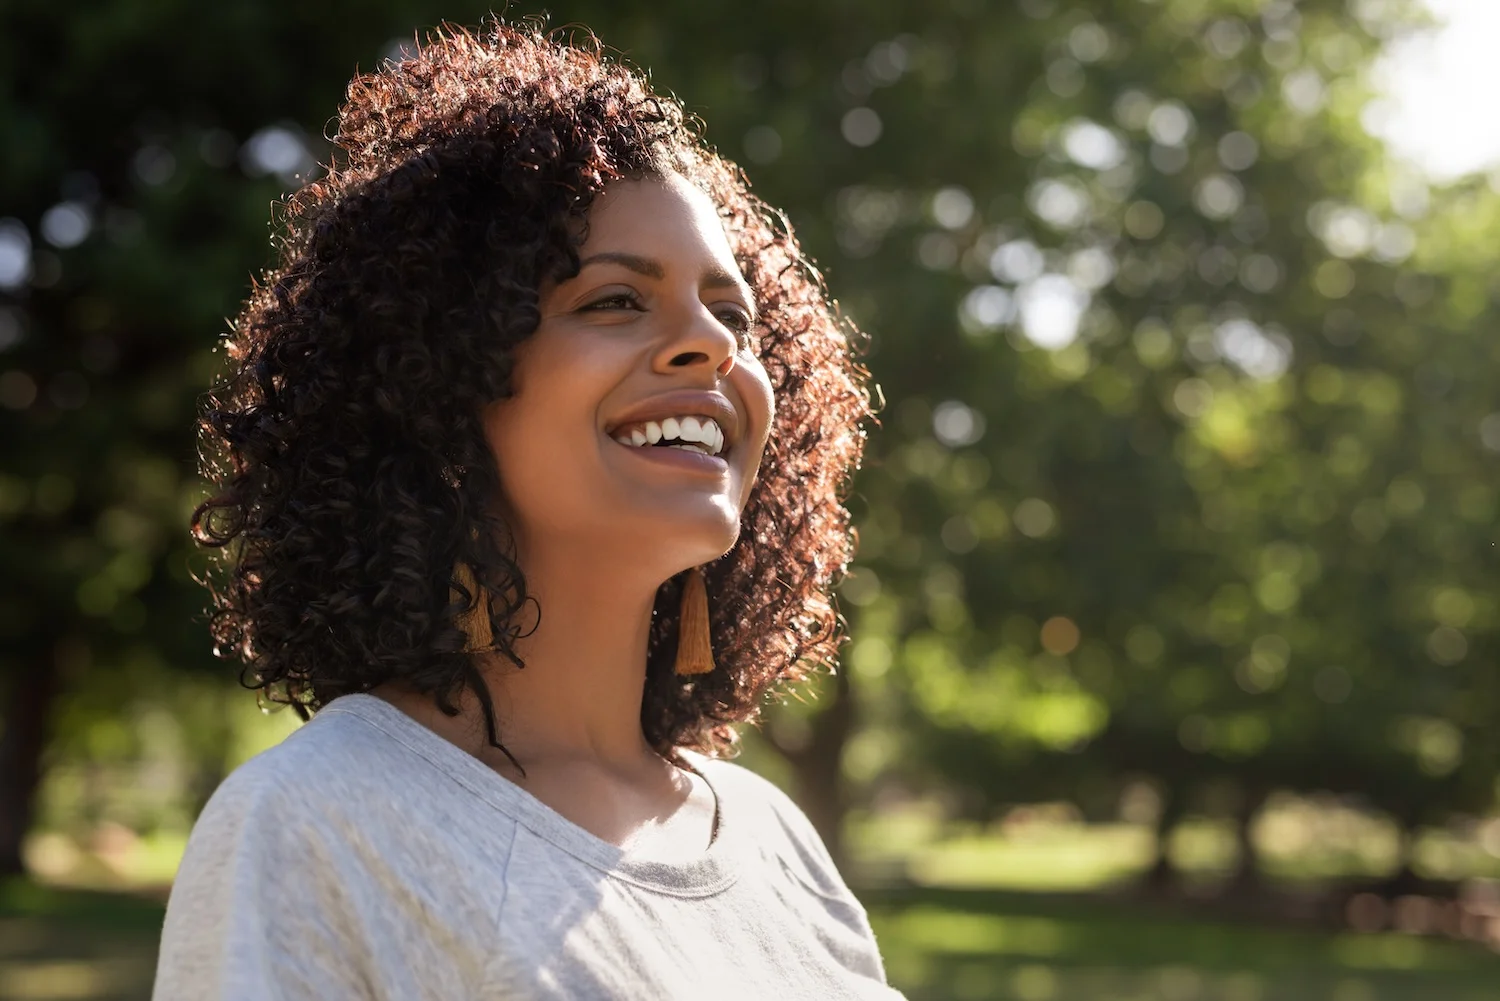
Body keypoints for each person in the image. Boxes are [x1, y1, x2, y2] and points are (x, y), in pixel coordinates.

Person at [153, 18, 900, 1001]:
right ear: (442, 391)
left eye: (736, 313)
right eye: (614, 301)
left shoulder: (773, 838)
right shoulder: (320, 818)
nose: (711, 346)